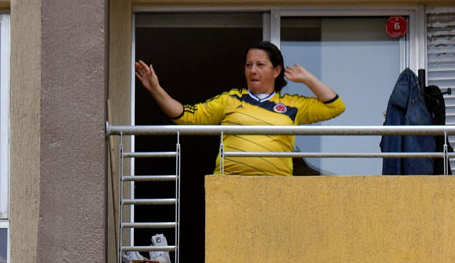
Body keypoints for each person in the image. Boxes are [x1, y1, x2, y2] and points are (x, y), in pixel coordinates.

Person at [135, 42, 344, 176]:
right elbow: (185, 116)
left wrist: (308, 79)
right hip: (230, 187)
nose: (252, 70)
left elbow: (335, 107)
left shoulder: (293, 104)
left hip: (277, 187)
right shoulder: (230, 99)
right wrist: (156, 89)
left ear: (276, 70)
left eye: (260, 65)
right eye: (248, 65)